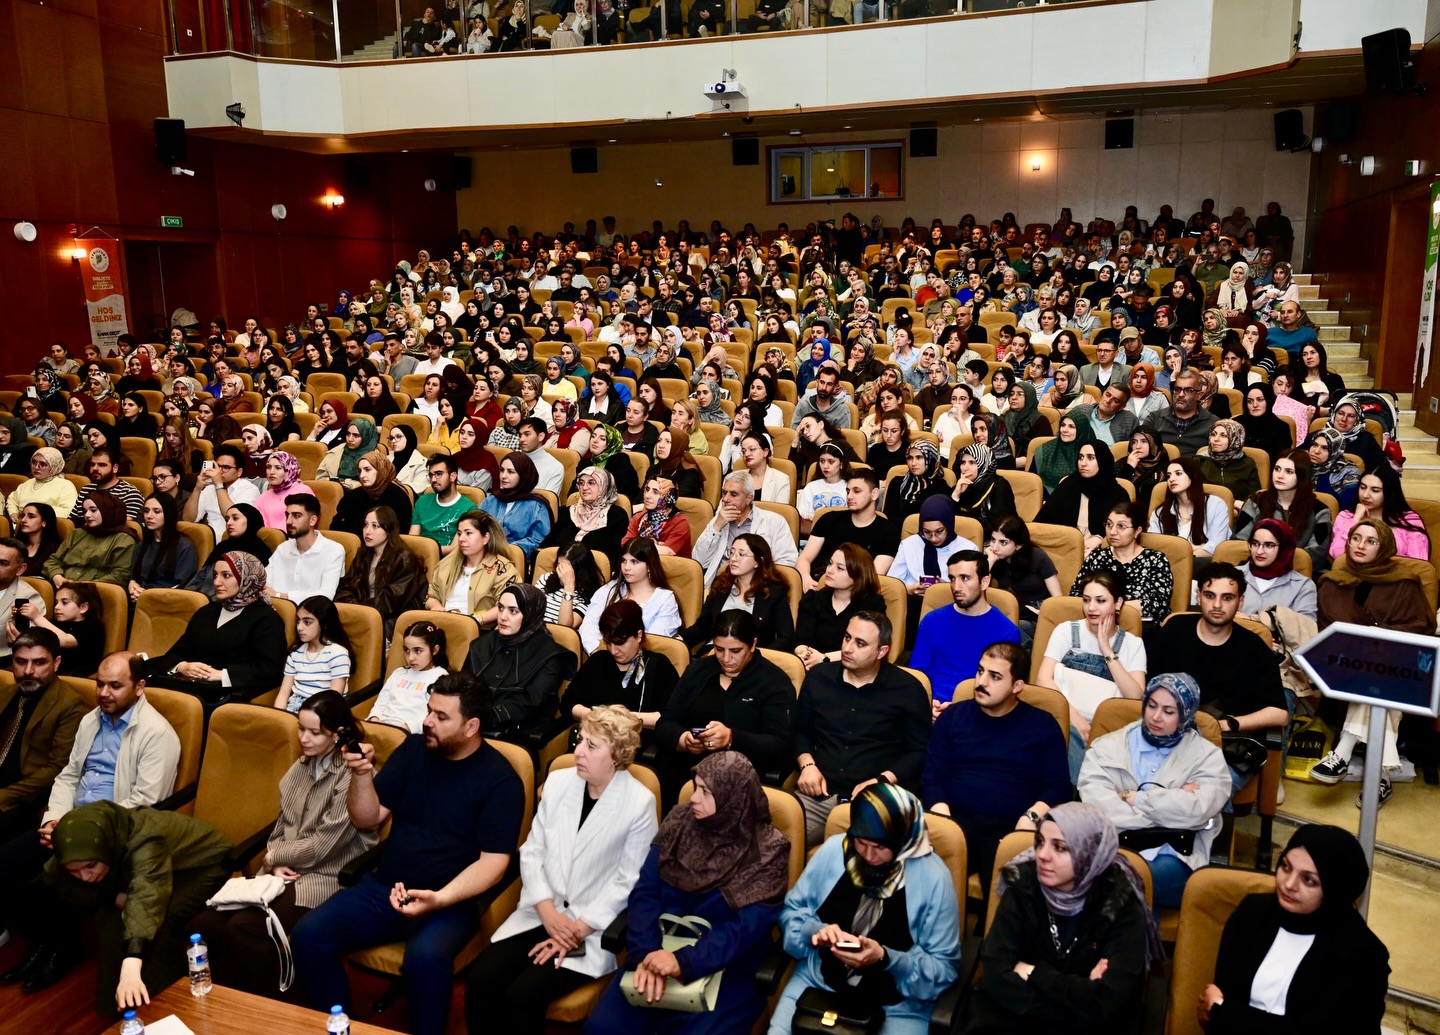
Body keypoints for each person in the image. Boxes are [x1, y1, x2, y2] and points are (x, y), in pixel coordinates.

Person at [291, 673, 525, 1035]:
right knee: (308, 935)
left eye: (441, 717)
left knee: (424, 960)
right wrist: (362, 776)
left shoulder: (499, 780)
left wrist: (439, 898)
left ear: (471, 726)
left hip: (448, 902)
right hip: (387, 887)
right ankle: (342, 1028)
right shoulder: (415, 749)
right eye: (429, 711)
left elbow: (494, 863)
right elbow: (367, 819)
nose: (428, 721)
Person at [466, 705, 658, 1031]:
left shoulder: (639, 803)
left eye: (591, 746)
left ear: (618, 755)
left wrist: (575, 931)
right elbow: (532, 851)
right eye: (580, 741)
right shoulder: (557, 782)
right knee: (481, 980)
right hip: (541, 912)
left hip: (590, 927)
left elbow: (629, 881)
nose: (578, 752)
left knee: (523, 995)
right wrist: (546, 911)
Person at [583, 752, 788, 1035]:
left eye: (706, 791)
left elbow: (743, 932)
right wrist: (646, 954)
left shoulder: (767, 850)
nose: (693, 798)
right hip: (655, 951)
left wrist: (683, 962)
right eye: (695, 787)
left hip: (724, 968)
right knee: (602, 1029)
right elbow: (645, 893)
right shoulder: (678, 823)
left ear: (733, 799)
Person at [195, 690, 377, 996]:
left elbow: (322, 847)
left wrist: (274, 856)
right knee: (206, 923)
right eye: (301, 729)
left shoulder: (352, 775)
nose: (304, 738)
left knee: (245, 928)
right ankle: (232, 1005)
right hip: (287, 870)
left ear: (336, 735)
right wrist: (277, 860)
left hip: (328, 876)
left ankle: (280, 1005)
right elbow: (281, 825)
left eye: (314, 732)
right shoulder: (301, 767)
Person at [2, 801, 230, 1015]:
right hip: (153, 870)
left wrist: (131, 966)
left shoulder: (145, 839)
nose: (85, 876)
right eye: (75, 871)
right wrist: (112, 897)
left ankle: (167, 1008)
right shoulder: (82, 842)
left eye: (91, 866)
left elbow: (147, 897)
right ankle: (120, 1007)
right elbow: (58, 883)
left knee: (160, 921)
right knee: (110, 920)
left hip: (201, 866)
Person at [769, 783, 961, 1035]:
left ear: (903, 839)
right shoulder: (834, 851)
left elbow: (943, 968)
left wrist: (885, 959)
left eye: (880, 847)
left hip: (898, 1006)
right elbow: (791, 912)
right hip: (819, 985)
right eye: (861, 841)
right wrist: (816, 931)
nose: (868, 855)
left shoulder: (934, 879)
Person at [961, 802, 1156, 1035]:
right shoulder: (1023, 886)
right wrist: (1079, 995)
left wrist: (1034, 973)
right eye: (1040, 842)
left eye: (1060, 848)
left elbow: (1108, 1001)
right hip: (1013, 1022)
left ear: (1090, 854)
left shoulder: (1120, 904)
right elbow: (995, 976)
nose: (1042, 855)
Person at [1199, 825, 1390, 1034]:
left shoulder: (1362, 956)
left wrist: (1227, 1013)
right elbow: (1217, 1004)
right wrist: (1223, 1012)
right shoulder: (1253, 913)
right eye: (1286, 867)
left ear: (1335, 890)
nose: (1289, 884)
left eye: (1308, 880)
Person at [922, 641, 1071, 891]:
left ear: (1017, 686)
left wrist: (1031, 817)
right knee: (923, 876)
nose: (982, 682)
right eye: (980, 671)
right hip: (954, 819)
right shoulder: (953, 717)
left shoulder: (1042, 726)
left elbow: (1058, 786)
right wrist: (942, 817)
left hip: (1011, 825)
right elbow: (932, 777)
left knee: (1007, 886)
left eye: (995, 676)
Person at [1307, 519, 1435, 802]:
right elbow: (1324, 632)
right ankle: (1380, 776)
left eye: (1371, 541)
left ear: (1384, 547)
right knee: (1369, 677)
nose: (1361, 545)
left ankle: (1342, 751)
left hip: (1398, 663)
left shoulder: (1404, 583)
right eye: (1356, 538)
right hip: (1345, 666)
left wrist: (1379, 639)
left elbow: (1420, 629)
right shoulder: (1330, 583)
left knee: (1378, 678)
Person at [1077, 672, 1229, 909]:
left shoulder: (1207, 758)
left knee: (1130, 883)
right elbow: (1097, 806)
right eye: (1152, 706)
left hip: (1175, 856)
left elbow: (1198, 810)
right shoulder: (1110, 746)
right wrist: (1170, 810)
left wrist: (1133, 797)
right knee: (1127, 891)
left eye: (1169, 712)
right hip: (1112, 848)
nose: (1156, 717)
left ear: (1185, 714)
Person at [792, 612, 930, 848]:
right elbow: (800, 731)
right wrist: (807, 765)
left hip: (877, 799)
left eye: (860, 643)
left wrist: (883, 779)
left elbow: (919, 751)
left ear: (882, 652)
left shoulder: (908, 689)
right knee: (775, 842)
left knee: (865, 857)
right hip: (820, 793)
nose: (847, 648)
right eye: (847, 638)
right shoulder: (818, 678)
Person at [1148, 564, 1288, 788]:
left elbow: (1279, 713)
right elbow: (1149, 689)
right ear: (1199, 596)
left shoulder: (1254, 647)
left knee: (1201, 796)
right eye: (1210, 595)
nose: (1217, 605)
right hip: (1168, 736)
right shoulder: (1174, 631)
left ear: (1240, 602)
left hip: (1225, 746)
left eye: (1227, 597)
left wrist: (1225, 725)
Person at [654, 610, 795, 803]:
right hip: (685, 770)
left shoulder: (774, 681)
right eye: (719, 649)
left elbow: (780, 746)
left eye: (735, 651)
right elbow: (666, 721)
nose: (726, 658)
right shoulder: (699, 670)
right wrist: (683, 739)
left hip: (740, 777)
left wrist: (731, 739)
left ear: (753, 644)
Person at [1038, 571, 1148, 779]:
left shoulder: (1133, 644)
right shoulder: (1066, 631)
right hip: (1064, 716)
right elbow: (1042, 680)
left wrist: (1106, 649)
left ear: (1118, 603)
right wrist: (1076, 719)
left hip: (1108, 726)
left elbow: (1134, 697)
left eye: (1100, 601)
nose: (1091, 608)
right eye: (1086, 600)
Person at [146, 551, 288, 705]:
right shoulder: (206, 612)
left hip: (230, 697)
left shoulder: (266, 619)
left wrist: (222, 675)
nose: (217, 582)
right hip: (192, 687)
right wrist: (183, 666)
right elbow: (179, 651)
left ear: (247, 579)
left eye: (226, 576)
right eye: (215, 575)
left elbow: (269, 669)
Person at [910, 551, 1022, 710]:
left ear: (984, 582)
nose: (956, 587)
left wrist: (956, 710)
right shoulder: (932, 621)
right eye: (952, 579)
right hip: (926, 705)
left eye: (965, 578)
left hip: (974, 710)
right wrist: (928, 704)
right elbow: (917, 674)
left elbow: (999, 690)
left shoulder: (1006, 632)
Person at [466, 584, 577, 737]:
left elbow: (532, 703)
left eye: (513, 611)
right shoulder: (481, 644)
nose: (503, 617)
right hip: (471, 723)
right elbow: (463, 686)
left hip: (518, 732)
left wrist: (487, 715)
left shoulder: (550, 654)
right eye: (500, 608)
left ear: (530, 613)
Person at [564, 598, 679, 734]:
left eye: (620, 643)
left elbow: (672, 715)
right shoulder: (598, 661)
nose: (613, 651)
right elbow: (567, 703)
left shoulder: (657, 666)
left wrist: (626, 719)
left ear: (638, 636)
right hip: (594, 739)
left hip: (634, 745)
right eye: (608, 643)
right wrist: (594, 716)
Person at [1073, 501, 1174, 633]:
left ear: (1137, 530)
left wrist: (1107, 606)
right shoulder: (1097, 557)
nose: (1113, 531)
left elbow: (1158, 604)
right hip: (1097, 627)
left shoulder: (1156, 560)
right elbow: (1076, 594)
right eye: (1109, 525)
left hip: (1146, 630)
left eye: (1121, 526)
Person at [783, 544, 888, 670]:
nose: (830, 570)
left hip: (854, 668)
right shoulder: (813, 600)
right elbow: (800, 640)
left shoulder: (872, 604)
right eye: (830, 563)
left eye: (840, 568)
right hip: (812, 667)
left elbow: (867, 648)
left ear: (858, 575)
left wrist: (824, 658)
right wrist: (804, 652)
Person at [683, 532, 793, 651]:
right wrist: (679, 639)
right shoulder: (721, 585)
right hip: (714, 652)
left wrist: (759, 656)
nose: (734, 559)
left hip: (753, 657)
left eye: (741, 554)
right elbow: (702, 627)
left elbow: (786, 638)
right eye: (732, 552)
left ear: (758, 561)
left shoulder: (774, 592)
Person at [1232, 449, 1334, 575]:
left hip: (1298, 574)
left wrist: (1278, 562)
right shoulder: (1255, 501)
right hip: (1256, 570)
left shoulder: (1319, 511)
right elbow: (1240, 540)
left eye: (1289, 472)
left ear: (1302, 476)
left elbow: (1317, 553)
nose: (1280, 475)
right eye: (1277, 469)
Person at [692, 471, 799, 588]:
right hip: (722, 586)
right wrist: (716, 527)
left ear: (748, 498)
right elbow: (699, 560)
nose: (726, 499)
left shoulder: (774, 521)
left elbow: (787, 563)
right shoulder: (719, 520)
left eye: (733, 494)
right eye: (724, 493)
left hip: (758, 586)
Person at [798, 471, 900, 589]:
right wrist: (806, 579)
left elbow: (873, 576)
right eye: (848, 491)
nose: (849, 496)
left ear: (875, 494)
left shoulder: (889, 532)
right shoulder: (828, 519)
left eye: (856, 491)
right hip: (818, 584)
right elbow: (804, 558)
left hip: (857, 592)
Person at [578, 537, 682, 653]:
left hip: (641, 664)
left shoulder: (665, 599)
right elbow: (589, 626)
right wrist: (598, 652)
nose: (627, 567)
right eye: (624, 561)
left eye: (634, 562)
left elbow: (655, 642)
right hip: (603, 656)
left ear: (649, 565)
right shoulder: (610, 589)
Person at [425, 509, 519, 627]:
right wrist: (436, 607)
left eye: (468, 533)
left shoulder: (503, 569)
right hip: (443, 625)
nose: (461, 539)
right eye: (459, 534)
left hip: (480, 629)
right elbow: (431, 596)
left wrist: (476, 620)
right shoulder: (446, 564)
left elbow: (506, 605)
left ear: (485, 538)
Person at [1328, 464, 1429, 561]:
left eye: (1375, 490)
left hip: (1397, 576)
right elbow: (1337, 555)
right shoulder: (1347, 516)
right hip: (1355, 575)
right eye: (1362, 487)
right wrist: (1355, 520)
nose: (1365, 495)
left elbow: (1418, 562)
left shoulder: (1409, 520)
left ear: (1389, 493)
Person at [890, 493, 979, 601]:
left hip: (952, 604)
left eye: (939, 531)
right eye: (927, 532)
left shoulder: (967, 549)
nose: (933, 538)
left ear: (949, 526)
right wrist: (910, 589)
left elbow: (974, 589)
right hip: (912, 602)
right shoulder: (909, 544)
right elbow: (892, 585)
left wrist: (947, 589)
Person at [273, 596, 353, 714]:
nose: (299, 627)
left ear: (324, 623)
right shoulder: (295, 653)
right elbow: (283, 695)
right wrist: (278, 717)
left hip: (322, 710)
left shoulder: (338, 654)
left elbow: (334, 699)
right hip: (294, 707)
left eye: (307, 622)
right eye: (298, 621)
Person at [43, 489, 137, 588]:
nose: (87, 515)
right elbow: (52, 561)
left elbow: (121, 576)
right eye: (85, 511)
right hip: (62, 587)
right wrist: (57, 577)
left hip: (96, 592)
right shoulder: (78, 533)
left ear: (107, 510)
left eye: (93, 510)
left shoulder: (124, 538)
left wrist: (80, 587)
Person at [265, 495, 346, 602]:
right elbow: (264, 586)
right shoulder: (282, 548)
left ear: (313, 520)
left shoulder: (334, 551)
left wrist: (279, 595)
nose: (289, 521)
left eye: (296, 516)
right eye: (287, 515)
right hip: (277, 613)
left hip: (313, 615)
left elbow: (325, 596)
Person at [1150, 457, 1232, 563]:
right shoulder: (1160, 513)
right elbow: (1153, 545)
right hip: (1168, 567)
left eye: (1178, 473)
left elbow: (1217, 545)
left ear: (1192, 476)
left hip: (1206, 565)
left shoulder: (1215, 505)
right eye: (1168, 476)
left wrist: (1183, 556)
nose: (1171, 479)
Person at [545, 466, 629, 565]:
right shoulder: (567, 512)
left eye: (591, 483)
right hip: (558, 569)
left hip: (595, 575)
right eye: (581, 483)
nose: (584, 488)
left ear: (604, 485)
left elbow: (617, 555)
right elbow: (547, 545)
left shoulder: (617, 516)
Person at [183, 444, 260, 539]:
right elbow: (188, 519)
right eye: (217, 466)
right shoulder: (209, 489)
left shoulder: (249, 489)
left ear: (239, 472)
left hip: (234, 541)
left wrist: (219, 485)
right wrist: (197, 488)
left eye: (226, 467)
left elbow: (234, 518)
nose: (220, 471)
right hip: (208, 540)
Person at [332, 450, 413, 536]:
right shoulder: (352, 496)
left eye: (367, 470)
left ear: (381, 470)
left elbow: (398, 536)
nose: (362, 475)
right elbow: (336, 529)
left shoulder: (398, 498)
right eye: (360, 471)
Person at [1144, 369, 1219, 457]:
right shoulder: (1155, 418)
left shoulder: (1213, 423)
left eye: (1188, 390)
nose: (1181, 394)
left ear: (1199, 395)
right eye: (1177, 389)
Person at [410, 454, 472, 555]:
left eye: (438, 474)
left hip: (448, 561)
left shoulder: (468, 509)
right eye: (431, 475)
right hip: (418, 558)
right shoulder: (422, 501)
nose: (433, 480)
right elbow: (413, 539)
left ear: (453, 476)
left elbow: (456, 549)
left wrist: (428, 551)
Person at [951, 441, 1018, 532]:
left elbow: (995, 526)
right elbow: (947, 521)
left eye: (972, 463)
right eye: (963, 462)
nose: (965, 468)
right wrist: (956, 494)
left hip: (994, 540)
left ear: (984, 464)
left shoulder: (1000, 486)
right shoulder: (962, 485)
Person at [69, 447, 145, 522]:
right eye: (92, 464)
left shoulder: (129, 493)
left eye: (101, 465)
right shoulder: (86, 490)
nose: (95, 468)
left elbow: (127, 526)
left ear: (115, 468)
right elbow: (73, 521)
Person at [4, 447, 77, 522]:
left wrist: (37, 516)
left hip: (46, 526)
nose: (36, 467)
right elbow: (12, 500)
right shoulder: (27, 483)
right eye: (34, 462)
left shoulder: (65, 486)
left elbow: (67, 510)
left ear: (54, 466)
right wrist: (13, 513)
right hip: (21, 525)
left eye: (43, 464)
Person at [1032, 414, 1095, 497]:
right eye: (1063, 425)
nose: (1064, 430)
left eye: (1071, 427)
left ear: (1081, 430)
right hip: (1046, 500)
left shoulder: (1093, 452)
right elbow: (1032, 481)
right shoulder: (1045, 450)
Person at [1306, 428, 1361, 512]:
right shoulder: (1302, 465)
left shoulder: (1349, 471)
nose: (1316, 451)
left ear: (1335, 450)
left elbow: (1347, 507)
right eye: (1314, 445)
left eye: (1325, 448)